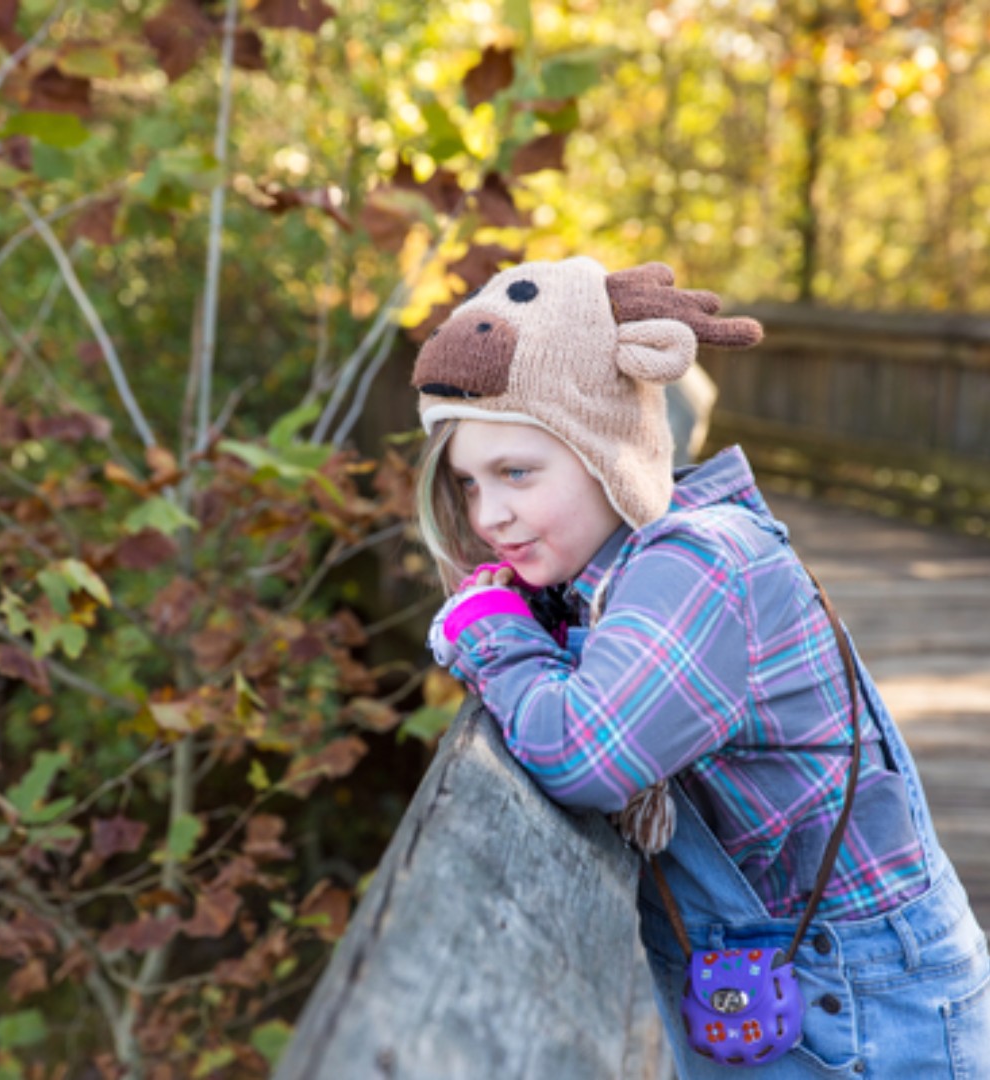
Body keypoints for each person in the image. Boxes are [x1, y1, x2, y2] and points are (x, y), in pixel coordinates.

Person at [412, 256, 990, 1077]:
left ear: (608, 448)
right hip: (779, 970)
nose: (489, 513)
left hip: (860, 997)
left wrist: (491, 632)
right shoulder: (605, 576)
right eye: (469, 483)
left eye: (517, 472)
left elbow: (584, 754)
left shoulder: (701, 564)